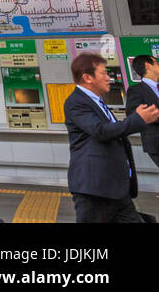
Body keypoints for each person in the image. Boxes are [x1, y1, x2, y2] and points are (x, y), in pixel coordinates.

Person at [65, 51, 159, 222]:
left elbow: (113, 130)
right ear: (87, 78)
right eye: (103, 73)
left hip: (115, 187)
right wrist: (139, 119)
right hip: (95, 189)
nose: (109, 77)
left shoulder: (97, 101)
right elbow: (101, 131)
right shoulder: (76, 102)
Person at [125, 54, 159, 170]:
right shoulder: (136, 90)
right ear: (147, 65)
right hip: (156, 143)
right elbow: (134, 114)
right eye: (157, 63)